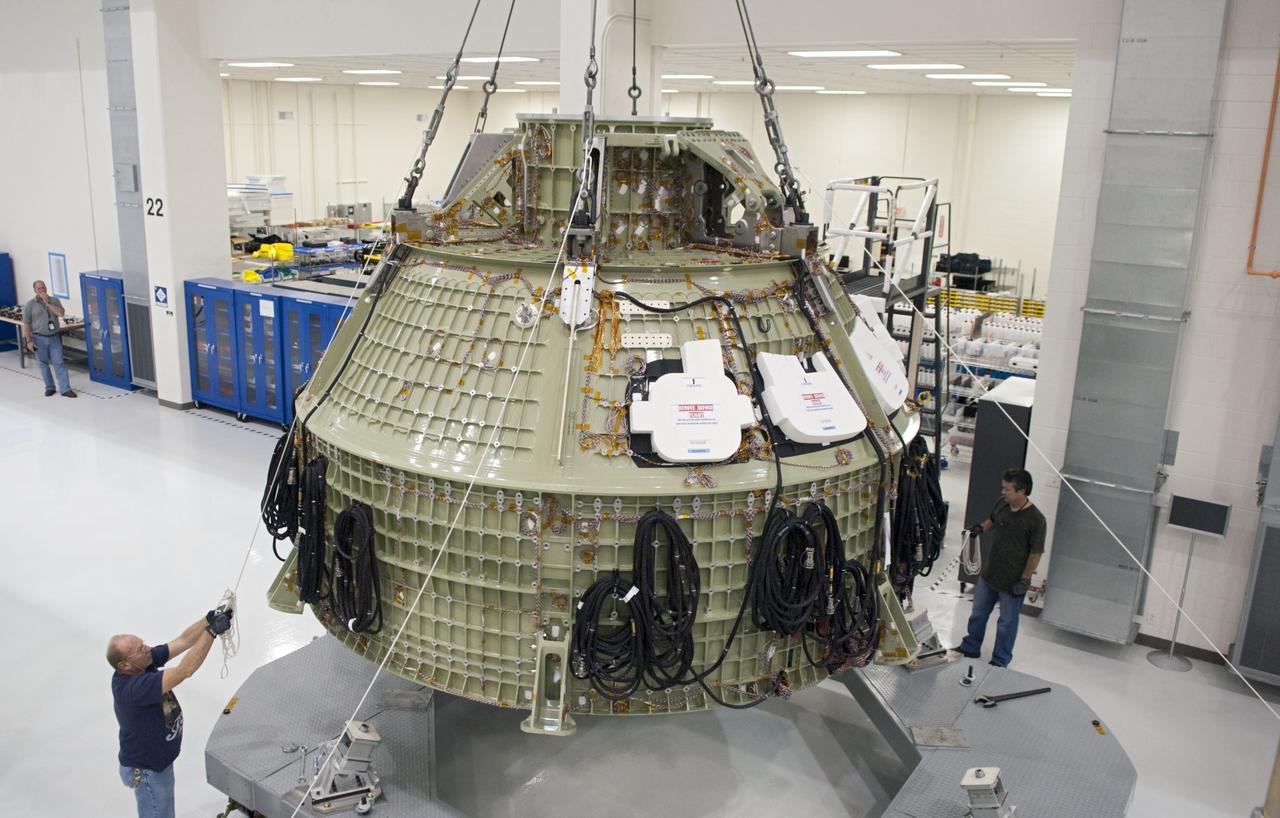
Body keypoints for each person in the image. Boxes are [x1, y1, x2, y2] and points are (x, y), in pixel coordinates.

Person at [108, 607, 234, 818]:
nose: (147, 649)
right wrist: (211, 633)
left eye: (143, 643)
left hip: (157, 762)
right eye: (140, 649)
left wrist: (208, 620)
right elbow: (184, 670)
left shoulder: (142, 663)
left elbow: (183, 641)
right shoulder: (133, 689)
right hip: (147, 770)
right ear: (124, 665)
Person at [954, 468, 1046, 667]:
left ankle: (1000, 659)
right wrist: (981, 528)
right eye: (1003, 488)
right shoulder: (1002, 504)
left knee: (1007, 623)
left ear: (1022, 491)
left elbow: (1035, 553)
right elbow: (993, 520)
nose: (1003, 492)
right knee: (978, 612)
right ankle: (971, 647)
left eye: (1008, 489)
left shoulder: (1036, 520)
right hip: (990, 574)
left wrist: (1024, 580)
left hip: (1012, 582)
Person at [21, 279, 75, 397]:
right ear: (35, 290)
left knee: (59, 362)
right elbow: (26, 323)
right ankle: (50, 387)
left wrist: (48, 303)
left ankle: (65, 389)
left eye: (43, 288)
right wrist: (28, 340)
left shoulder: (54, 300)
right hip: (38, 338)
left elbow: (61, 313)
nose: (42, 290)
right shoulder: (30, 305)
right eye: (39, 289)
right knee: (43, 363)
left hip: (54, 337)